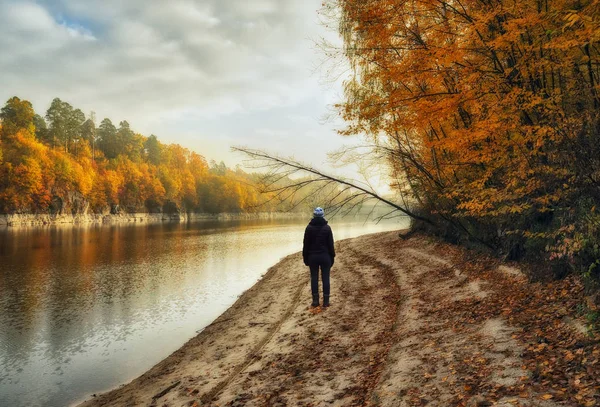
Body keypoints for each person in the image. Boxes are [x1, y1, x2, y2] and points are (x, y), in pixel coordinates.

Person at [302, 207, 335, 307]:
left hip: (313, 257)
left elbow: (305, 245)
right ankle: (326, 301)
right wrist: (332, 257)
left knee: (314, 278)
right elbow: (331, 245)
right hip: (325, 256)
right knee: (326, 278)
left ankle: (315, 301)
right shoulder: (327, 228)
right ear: (323, 215)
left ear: (314, 215)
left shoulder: (309, 228)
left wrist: (305, 258)